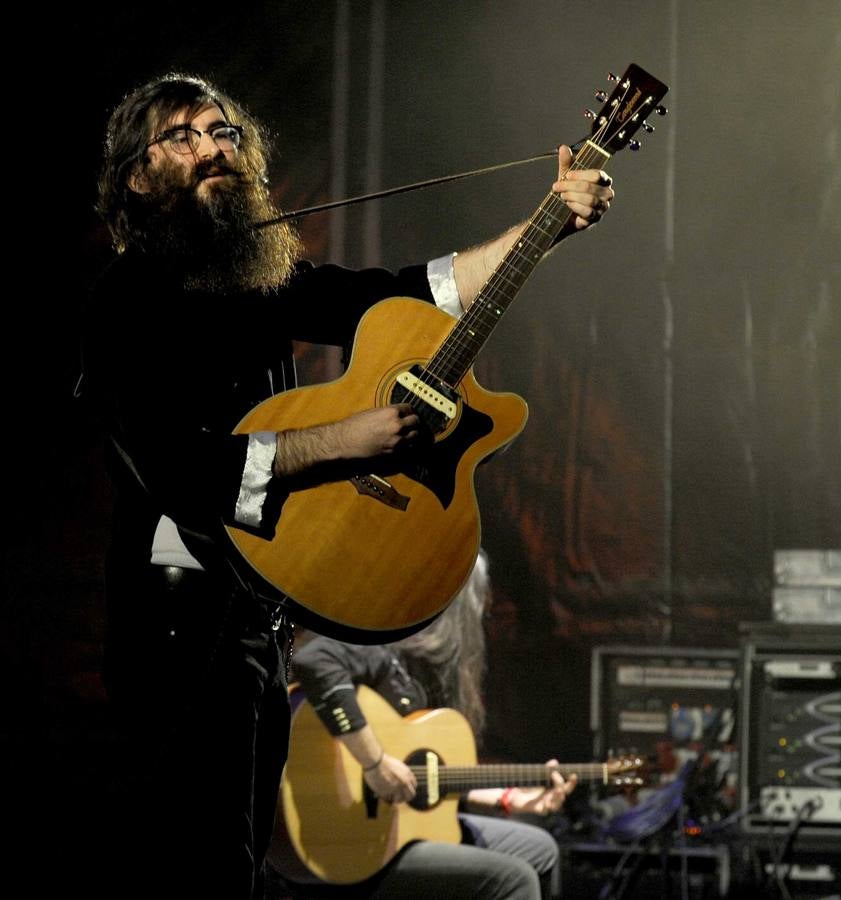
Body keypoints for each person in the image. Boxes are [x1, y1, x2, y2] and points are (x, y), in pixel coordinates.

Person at [77, 73, 614, 897]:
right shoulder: (125, 302)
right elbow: (178, 466)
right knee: (185, 857)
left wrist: (542, 228)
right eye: (183, 136)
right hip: (173, 622)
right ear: (137, 176)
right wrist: (343, 441)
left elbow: (406, 296)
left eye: (223, 132)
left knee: (239, 856)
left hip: (256, 614)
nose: (213, 148)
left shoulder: (253, 278)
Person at [286, 553, 576, 900]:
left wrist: (511, 798)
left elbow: (428, 778)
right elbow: (313, 660)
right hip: (348, 842)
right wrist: (375, 763)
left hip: (398, 830)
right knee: (514, 878)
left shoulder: (429, 674)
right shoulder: (384, 648)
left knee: (540, 849)